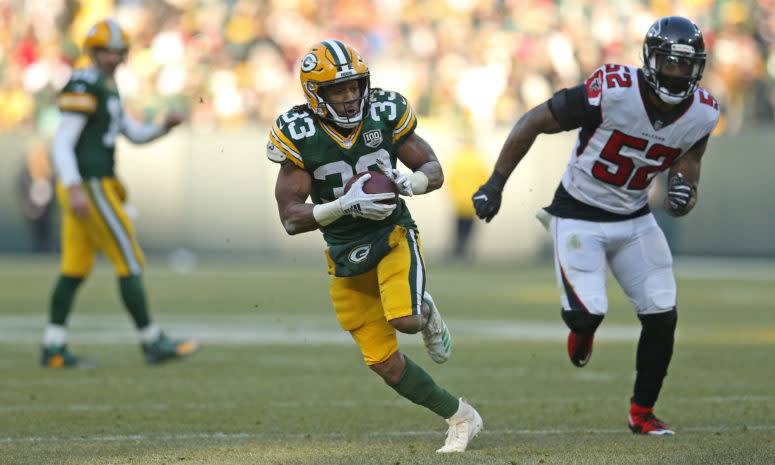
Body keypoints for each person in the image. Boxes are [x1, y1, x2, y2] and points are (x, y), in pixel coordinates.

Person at [473, 16, 718, 435]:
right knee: (588, 316)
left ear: (697, 68)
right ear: (649, 59)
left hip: (635, 218)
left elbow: (688, 164)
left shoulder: (703, 112)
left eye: (685, 65)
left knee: (662, 315)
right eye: (669, 62)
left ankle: (642, 411)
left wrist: (684, 194)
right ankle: (582, 332)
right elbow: (535, 120)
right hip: (578, 213)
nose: (676, 73)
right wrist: (495, 182)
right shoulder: (613, 90)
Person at [267, 39, 483, 452]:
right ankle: (461, 417)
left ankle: (421, 308)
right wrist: (342, 205)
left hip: (392, 234)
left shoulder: (384, 113)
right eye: (337, 90)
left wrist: (410, 183)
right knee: (384, 363)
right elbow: (291, 218)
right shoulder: (299, 133)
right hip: (343, 253)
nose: (350, 98)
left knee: (405, 321)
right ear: (316, 93)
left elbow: (432, 169)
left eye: (354, 87)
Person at [42, 18, 199, 368]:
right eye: (107, 51)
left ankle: (53, 346)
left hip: (91, 183)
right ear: (94, 52)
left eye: (117, 52)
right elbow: (62, 142)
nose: (113, 57)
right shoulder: (85, 81)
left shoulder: (107, 84)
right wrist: (73, 185)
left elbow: (133, 133)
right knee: (128, 259)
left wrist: (163, 127)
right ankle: (152, 341)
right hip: (89, 183)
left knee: (74, 268)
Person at [445, 138, 489, 260]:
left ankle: (458, 251)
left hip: (460, 202)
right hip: (473, 203)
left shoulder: (458, 162)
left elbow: (450, 181)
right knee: (470, 229)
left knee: (458, 228)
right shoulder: (478, 163)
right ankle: (466, 252)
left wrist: (454, 196)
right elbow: (485, 182)